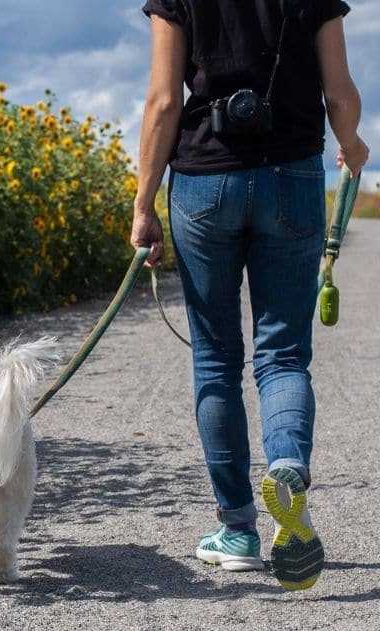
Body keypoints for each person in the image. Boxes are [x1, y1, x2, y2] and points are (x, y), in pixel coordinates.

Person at [130, 0, 369, 590]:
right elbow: (339, 92)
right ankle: (287, 465)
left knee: (215, 358)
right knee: (283, 354)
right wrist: (352, 142)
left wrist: (143, 204)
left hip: (204, 179)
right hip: (292, 174)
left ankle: (238, 530)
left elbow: (163, 101)